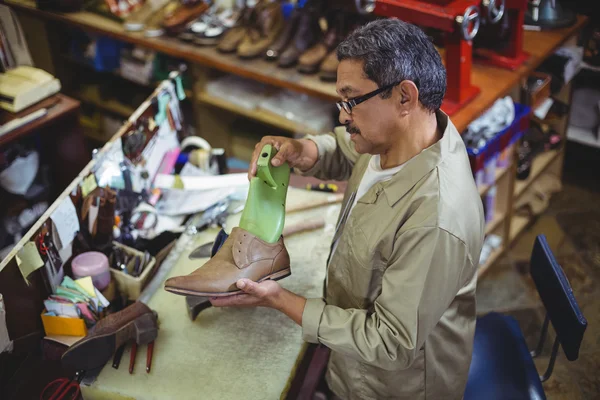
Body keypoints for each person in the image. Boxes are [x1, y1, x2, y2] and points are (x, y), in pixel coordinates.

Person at [210, 18, 485, 400]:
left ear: (405, 97)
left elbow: (390, 343)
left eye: (351, 101)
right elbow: (348, 146)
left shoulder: (435, 218)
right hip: (350, 350)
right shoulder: (395, 139)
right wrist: (306, 150)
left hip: (390, 387)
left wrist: (279, 300)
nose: (343, 115)